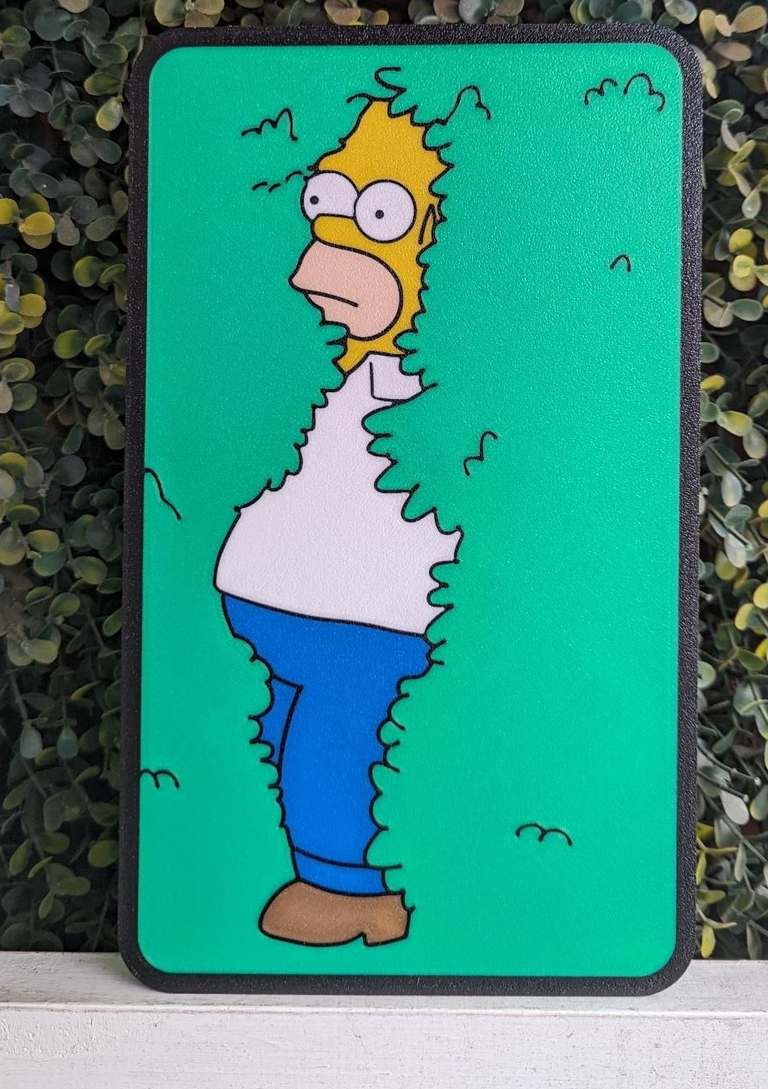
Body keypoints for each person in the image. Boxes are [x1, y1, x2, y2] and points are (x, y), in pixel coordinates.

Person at [214, 99, 460, 946]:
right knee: (298, 733)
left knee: (340, 736)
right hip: (289, 601)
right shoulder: (337, 367)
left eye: (381, 217)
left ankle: (347, 886)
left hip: (366, 613)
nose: (317, 265)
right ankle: (330, 874)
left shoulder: (440, 384)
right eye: (325, 205)